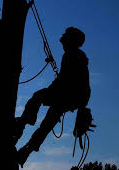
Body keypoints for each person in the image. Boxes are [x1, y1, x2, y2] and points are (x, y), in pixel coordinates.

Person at [14, 27, 91, 167]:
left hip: (69, 95)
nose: (62, 40)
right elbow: (67, 80)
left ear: (70, 41)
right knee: (48, 122)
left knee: (38, 98)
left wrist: (52, 91)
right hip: (71, 97)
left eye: (65, 38)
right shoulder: (74, 55)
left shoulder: (73, 55)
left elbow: (67, 80)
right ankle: (26, 151)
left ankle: (21, 126)